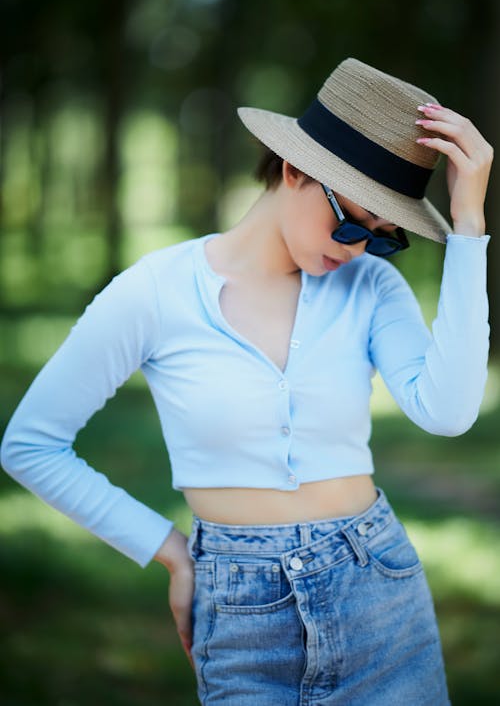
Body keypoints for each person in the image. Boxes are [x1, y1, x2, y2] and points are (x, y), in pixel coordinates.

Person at [1, 57, 493, 705]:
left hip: (377, 590)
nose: (354, 249)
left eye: (382, 237)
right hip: (237, 611)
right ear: (294, 169)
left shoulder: (372, 287)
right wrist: (172, 551)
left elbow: (448, 411)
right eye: (349, 222)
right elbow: (30, 445)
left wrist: (468, 230)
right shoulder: (155, 292)